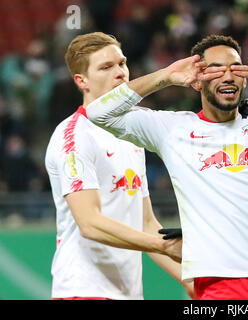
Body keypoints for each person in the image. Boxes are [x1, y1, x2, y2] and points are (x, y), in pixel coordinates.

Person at [85, 34, 248, 300]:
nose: (227, 76)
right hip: (217, 285)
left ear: (245, 77)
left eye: (235, 69)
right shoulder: (171, 129)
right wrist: (165, 76)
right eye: (215, 69)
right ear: (197, 80)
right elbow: (99, 112)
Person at [45, 32, 192, 300]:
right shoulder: (75, 136)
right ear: (82, 81)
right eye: (106, 67)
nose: (120, 73)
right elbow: (90, 223)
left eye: (122, 63)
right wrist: (165, 245)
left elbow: (146, 224)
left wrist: (191, 281)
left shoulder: (130, 132)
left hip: (128, 293)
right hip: (83, 291)